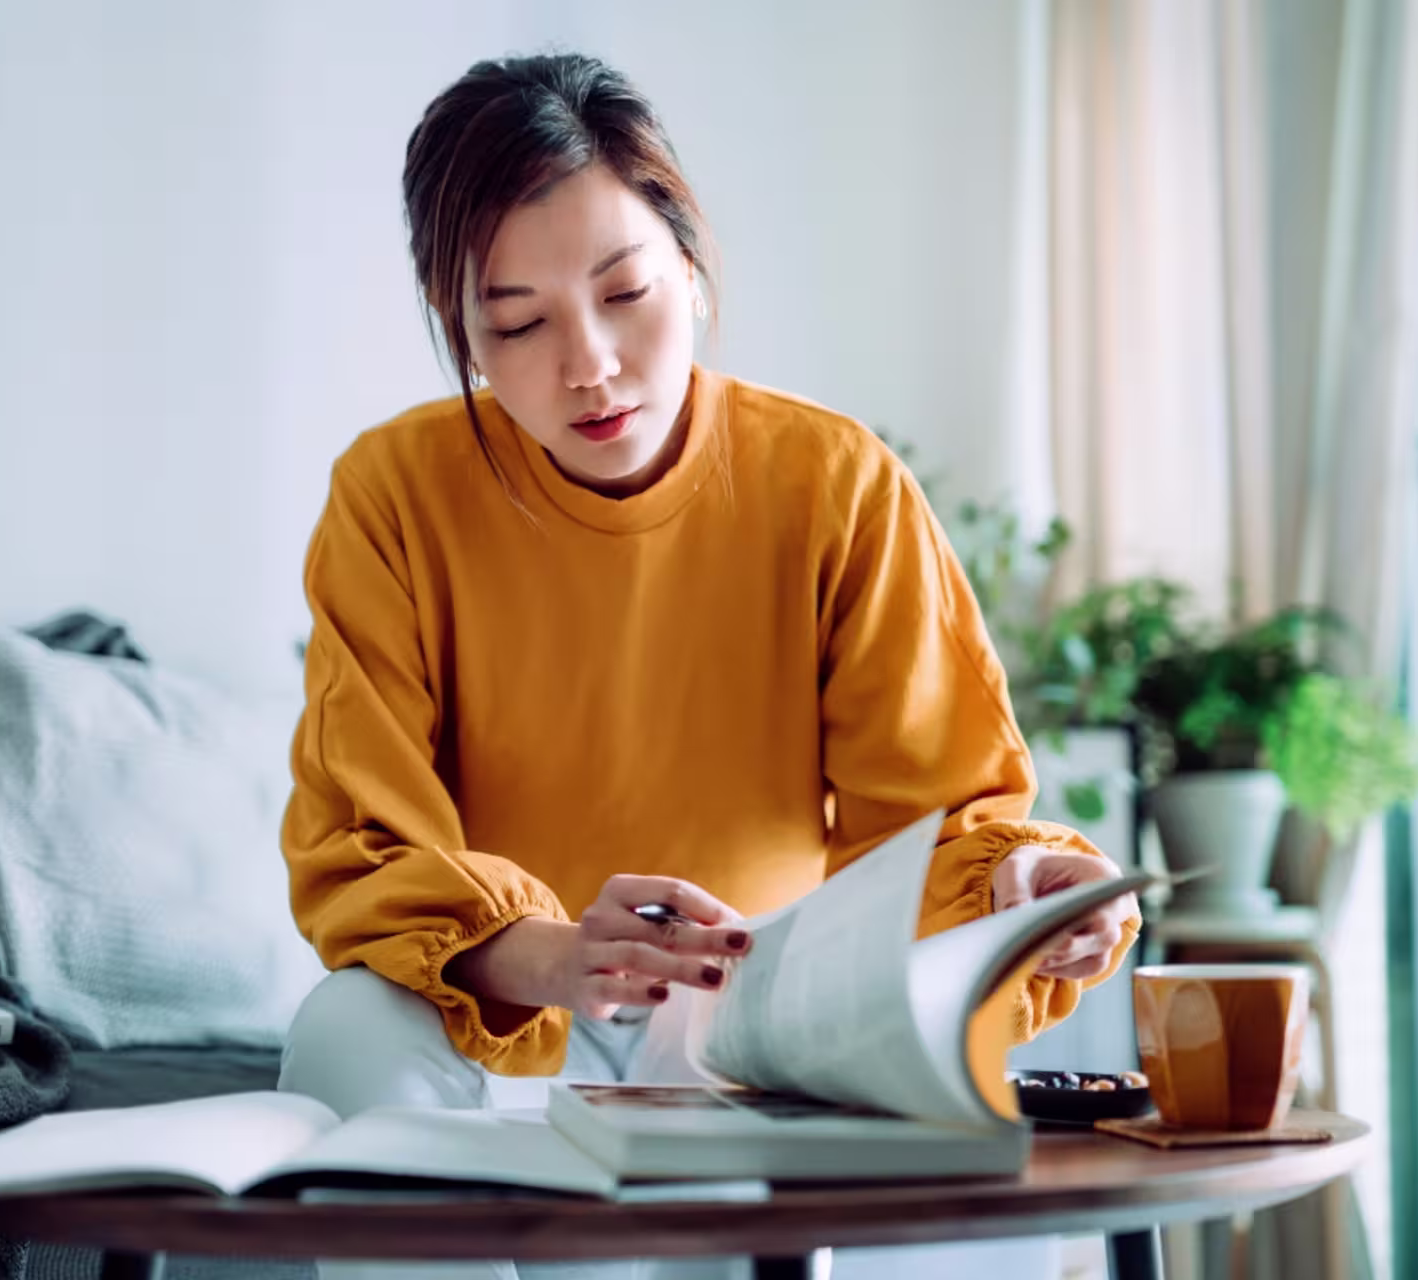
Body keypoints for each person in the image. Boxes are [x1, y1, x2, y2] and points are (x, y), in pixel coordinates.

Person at [277, 52, 1140, 1280]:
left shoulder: (835, 484)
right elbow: (364, 843)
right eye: (514, 322)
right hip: (510, 1020)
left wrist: (1031, 891)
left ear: (690, 262)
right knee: (348, 1023)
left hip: (759, 1029)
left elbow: (945, 822)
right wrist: (560, 952)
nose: (586, 362)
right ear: (460, 330)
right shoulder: (392, 495)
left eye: (624, 291)